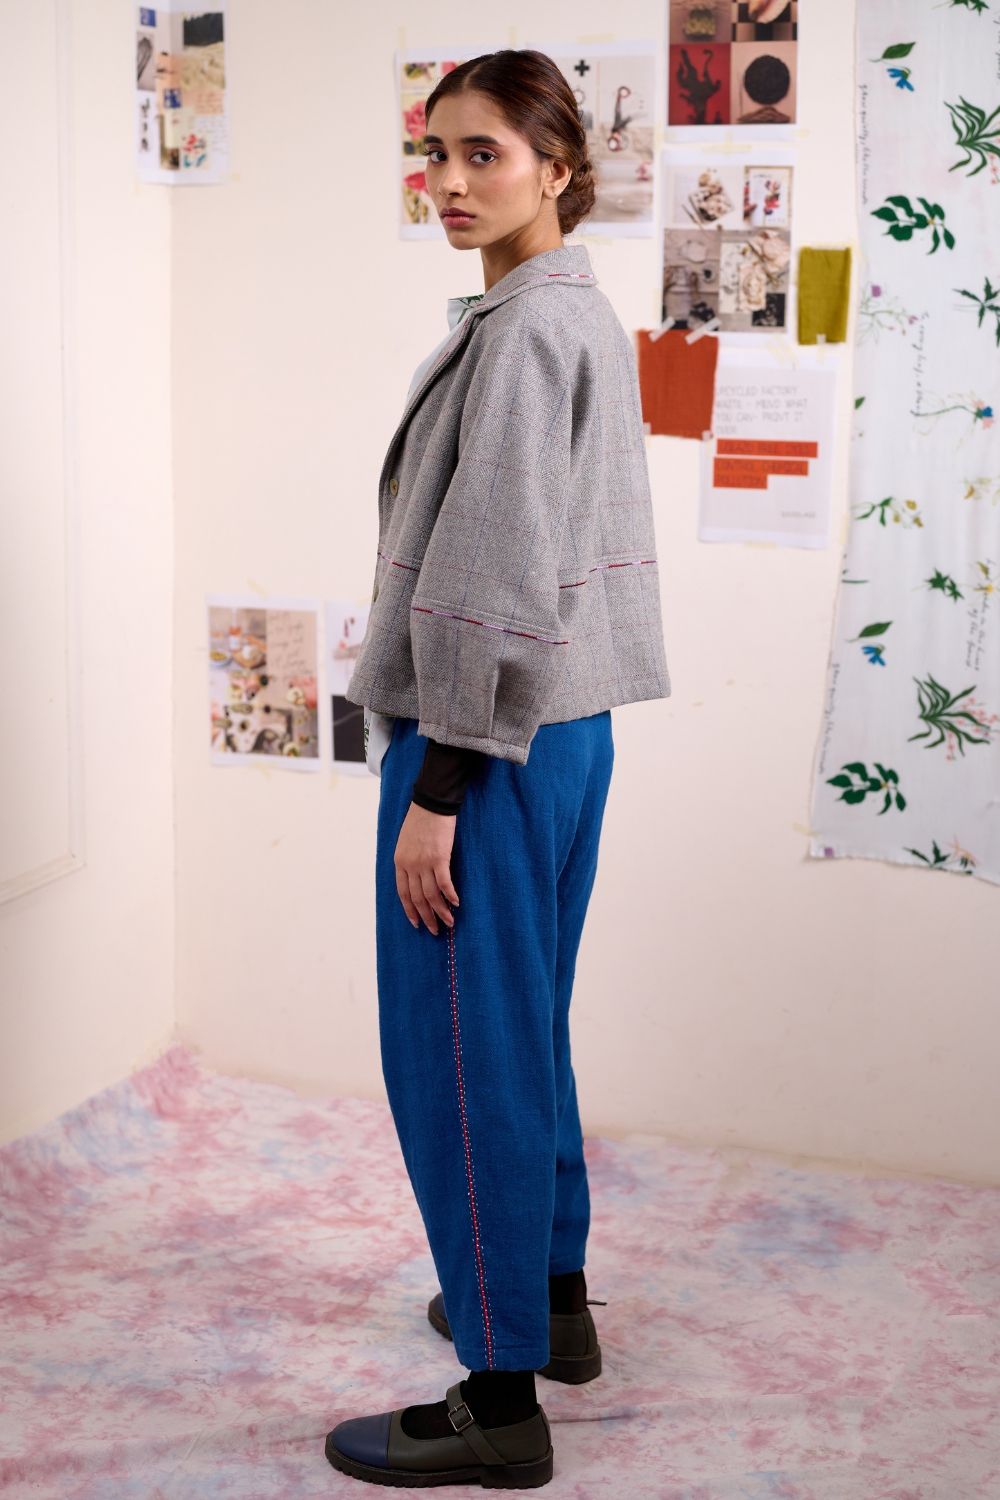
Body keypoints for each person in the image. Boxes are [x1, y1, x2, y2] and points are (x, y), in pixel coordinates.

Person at [327, 48, 671, 1489]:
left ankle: (497, 1398)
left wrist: (440, 790)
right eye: (438, 152)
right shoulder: (574, 311)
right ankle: (551, 1305)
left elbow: (495, 572)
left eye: (487, 154)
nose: (453, 182)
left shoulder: (528, 331)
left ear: (557, 167)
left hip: (491, 744)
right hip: (566, 731)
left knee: (461, 1054)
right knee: (522, 1029)